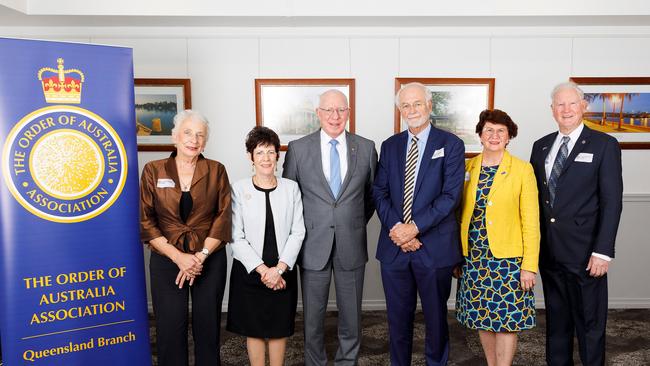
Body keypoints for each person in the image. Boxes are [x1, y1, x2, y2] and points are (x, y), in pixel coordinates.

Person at [530, 82, 623, 366]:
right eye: (560, 104)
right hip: (550, 253)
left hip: (586, 255)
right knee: (557, 325)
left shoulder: (604, 145)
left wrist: (603, 251)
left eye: (572, 104)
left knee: (590, 326)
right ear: (552, 110)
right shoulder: (541, 146)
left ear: (583, 106)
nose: (566, 110)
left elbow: (611, 202)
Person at [282, 89, 377, 365]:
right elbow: (291, 197)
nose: (335, 116)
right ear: (318, 114)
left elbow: (372, 195)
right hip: (312, 244)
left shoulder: (366, 147)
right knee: (312, 316)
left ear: (348, 112)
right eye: (329, 110)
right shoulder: (299, 149)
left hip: (351, 242)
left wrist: (352, 221)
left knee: (352, 315)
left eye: (341, 110)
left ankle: (348, 361)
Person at [373, 82, 465, 365]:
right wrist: (399, 231)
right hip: (395, 248)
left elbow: (450, 196)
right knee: (397, 320)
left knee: (436, 321)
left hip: (434, 247)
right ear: (400, 110)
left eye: (417, 104)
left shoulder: (450, 144)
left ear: (429, 106)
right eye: (405, 105)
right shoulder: (390, 146)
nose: (411, 110)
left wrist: (413, 228)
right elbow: (379, 192)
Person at [140, 110, 232, 366]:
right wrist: (179, 257)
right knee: (169, 329)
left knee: (208, 328)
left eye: (200, 135)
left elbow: (223, 219)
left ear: (206, 141)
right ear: (174, 136)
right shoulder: (153, 170)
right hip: (167, 259)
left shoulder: (216, 170)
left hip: (209, 259)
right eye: (188, 133)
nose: (194, 139)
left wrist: (199, 258)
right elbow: (146, 222)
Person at [455, 109, 540, 365]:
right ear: (480, 135)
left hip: (509, 260)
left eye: (500, 131)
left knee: (506, 321)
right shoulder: (467, 168)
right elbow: (458, 214)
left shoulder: (522, 170)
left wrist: (529, 266)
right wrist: (457, 256)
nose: (494, 135)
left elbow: (531, 222)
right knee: (483, 317)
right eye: (489, 130)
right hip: (475, 258)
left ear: (509, 136)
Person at [227, 126, 305, 366]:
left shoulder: (291, 188)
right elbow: (236, 237)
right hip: (250, 272)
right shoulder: (239, 189)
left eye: (271, 152)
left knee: (279, 328)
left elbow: (298, 231)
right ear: (251, 157)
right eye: (260, 152)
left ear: (277, 156)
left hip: (283, 271)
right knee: (255, 329)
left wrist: (279, 270)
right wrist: (264, 271)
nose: (266, 158)